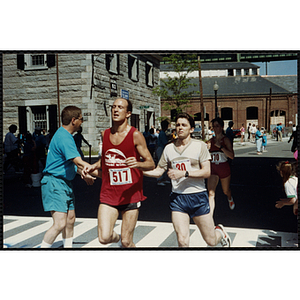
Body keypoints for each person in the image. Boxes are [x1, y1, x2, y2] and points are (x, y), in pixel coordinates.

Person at [143, 113, 231, 247]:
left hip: (198, 197)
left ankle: (220, 233)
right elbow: (159, 171)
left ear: (191, 129)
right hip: (178, 199)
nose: (180, 128)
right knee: (183, 241)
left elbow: (207, 172)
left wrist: (184, 173)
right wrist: (138, 170)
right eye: (178, 125)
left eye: (184, 125)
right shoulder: (168, 148)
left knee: (211, 240)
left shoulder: (199, 146)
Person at [82, 98, 155, 248]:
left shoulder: (135, 135)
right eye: (114, 107)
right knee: (104, 237)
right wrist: (91, 167)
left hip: (130, 194)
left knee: (127, 243)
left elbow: (151, 163)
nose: (115, 110)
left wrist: (138, 164)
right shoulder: (105, 134)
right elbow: (105, 160)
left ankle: (125, 242)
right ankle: (119, 238)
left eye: (120, 107)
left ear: (128, 113)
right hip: (109, 193)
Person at [40, 106, 96, 248]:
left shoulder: (64, 135)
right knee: (60, 223)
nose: (82, 122)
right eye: (81, 119)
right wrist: (95, 170)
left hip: (64, 183)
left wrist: (85, 173)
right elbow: (78, 162)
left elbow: (68, 165)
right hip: (55, 183)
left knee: (70, 220)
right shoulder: (64, 137)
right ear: (73, 120)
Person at [207, 117, 235, 213]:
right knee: (211, 193)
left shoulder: (225, 140)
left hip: (223, 168)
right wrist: (207, 149)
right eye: (213, 126)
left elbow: (231, 156)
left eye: (217, 126)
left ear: (222, 127)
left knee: (225, 191)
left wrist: (221, 147)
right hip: (213, 168)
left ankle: (230, 198)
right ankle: (209, 216)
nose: (215, 128)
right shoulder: (210, 141)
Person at [156, 119, 170, 186]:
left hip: (161, 148)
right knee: (161, 164)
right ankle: (159, 180)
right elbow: (165, 143)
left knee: (164, 164)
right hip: (161, 148)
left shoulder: (162, 133)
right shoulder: (162, 133)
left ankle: (163, 178)